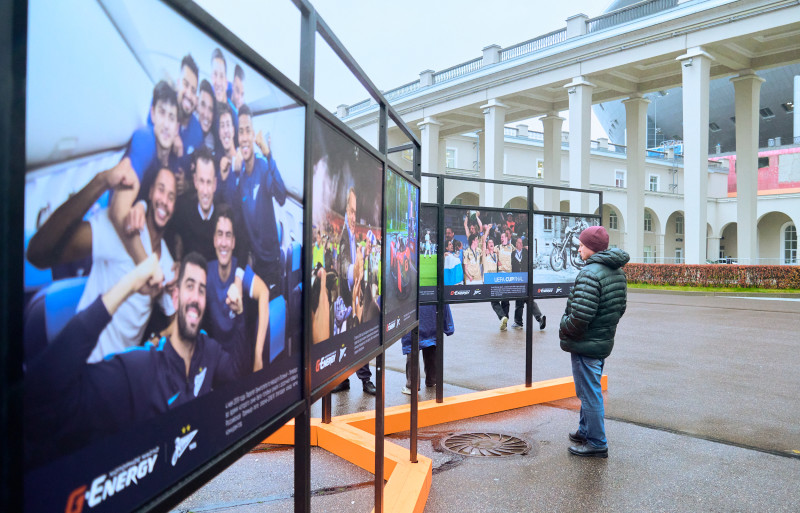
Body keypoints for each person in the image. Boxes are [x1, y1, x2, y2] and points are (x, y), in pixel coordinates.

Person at [24, 253, 238, 466]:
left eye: (202, 290)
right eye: (190, 286)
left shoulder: (209, 350)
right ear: (175, 298)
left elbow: (242, 375)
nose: (196, 298)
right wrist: (130, 283)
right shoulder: (142, 369)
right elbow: (41, 399)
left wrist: (239, 313)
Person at [27, 164, 178, 362]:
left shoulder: (167, 263)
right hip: (83, 360)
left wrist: (159, 338)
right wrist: (100, 181)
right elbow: (38, 254)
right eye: (161, 190)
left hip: (117, 373)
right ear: (150, 192)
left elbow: (175, 319)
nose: (165, 201)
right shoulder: (118, 229)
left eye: (171, 197)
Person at [559, 225, 629, 458]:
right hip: (601, 339)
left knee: (589, 393)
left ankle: (597, 442)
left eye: (582, 245)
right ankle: (585, 430)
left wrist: (564, 326)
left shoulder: (590, 273)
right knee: (589, 388)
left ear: (592, 247)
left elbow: (579, 316)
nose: (579, 249)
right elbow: (620, 308)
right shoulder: (617, 271)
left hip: (586, 342)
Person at [204, 207, 270, 376]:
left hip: (240, 359)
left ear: (233, 242)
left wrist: (258, 355)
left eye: (228, 235)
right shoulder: (207, 272)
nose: (223, 243)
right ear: (214, 240)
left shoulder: (240, 272)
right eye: (220, 234)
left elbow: (264, 293)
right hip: (217, 361)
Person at [235, 104, 287, 291]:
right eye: (240, 132)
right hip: (252, 264)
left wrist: (268, 154)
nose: (244, 137)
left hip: (271, 265)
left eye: (247, 131)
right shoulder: (239, 179)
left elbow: (281, 196)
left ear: (252, 135)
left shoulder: (263, 166)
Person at [167, 146, 218, 262]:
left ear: (215, 184)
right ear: (195, 181)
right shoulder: (183, 211)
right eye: (201, 181)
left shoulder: (221, 215)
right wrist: (177, 260)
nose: (205, 191)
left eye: (209, 182)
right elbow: (169, 235)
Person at [401, 304, 454, 395]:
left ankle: (412, 386)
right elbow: (444, 303)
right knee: (431, 347)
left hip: (411, 319)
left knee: (412, 350)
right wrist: (449, 327)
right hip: (431, 319)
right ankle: (432, 380)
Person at [509, 236, 546, 330]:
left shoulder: (526, 252)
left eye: (522, 243)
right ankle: (539, 318)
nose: (521, 244)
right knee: (524, 300)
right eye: (519, 242)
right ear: (516, 244)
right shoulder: (512, 254)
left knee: (524, 300)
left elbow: (532, 261)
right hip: (517, 280)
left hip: (525, 280)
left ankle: (519, 322)